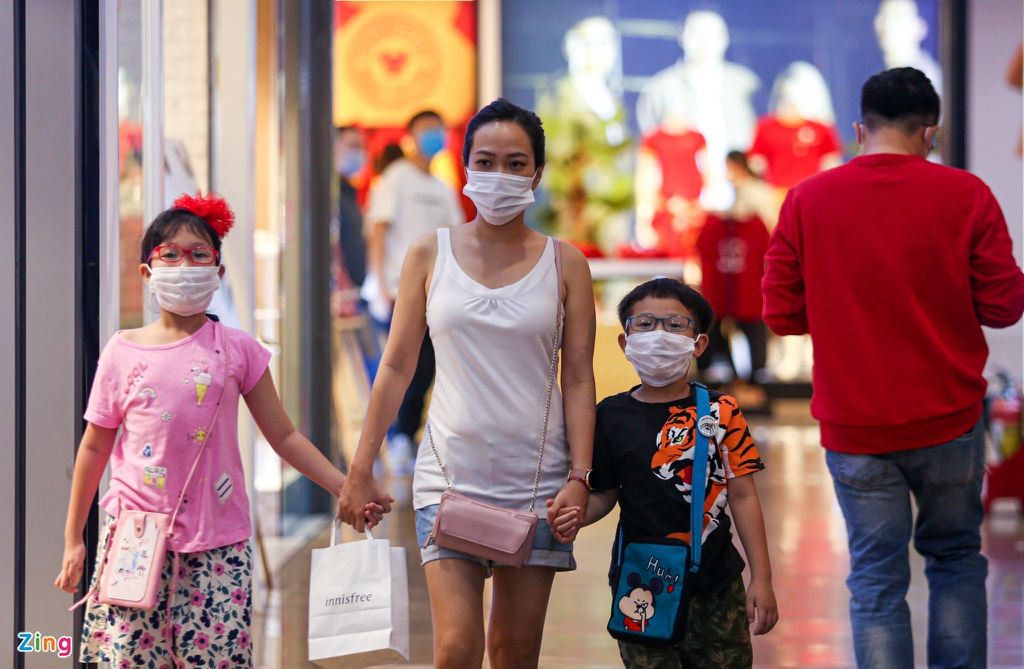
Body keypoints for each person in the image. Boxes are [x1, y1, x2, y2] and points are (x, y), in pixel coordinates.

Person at [762, 67, 1024, 669]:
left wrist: (841, 308)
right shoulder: (967, 196)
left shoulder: (807, 199)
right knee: (955, 559)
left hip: (856, 425)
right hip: (949, 420)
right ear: (930, 132)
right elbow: (1005, 304)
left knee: (877, 578)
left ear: (860, 128)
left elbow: (779, 313)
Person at [54, 193, 383, 667]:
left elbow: (284, 437)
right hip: (132, 543)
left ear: (219, 272)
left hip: (219, 547)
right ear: (148, 272)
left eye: (199, 254)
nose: (185, 265)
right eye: (171, 254)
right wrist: (74, 539)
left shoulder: (238, 350)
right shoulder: (122, 351)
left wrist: (345, 486)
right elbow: (93, 447)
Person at [338, 98, 597, 669]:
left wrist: (581, 475)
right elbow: (397, 366)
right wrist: (362, 470)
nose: (499, 175)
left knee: (514, 652)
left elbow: (579, 377)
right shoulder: (430, 252)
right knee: (456, 649)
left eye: (515, 163)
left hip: (538, 483)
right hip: (447, 476)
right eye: (486, 160)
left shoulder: (566, 263)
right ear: (465, 166)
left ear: (537, 173)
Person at [553, 278, 778, 668]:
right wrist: (578, 516)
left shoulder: (721, 411)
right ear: (625, 342)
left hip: (717, 584)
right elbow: (606, 492)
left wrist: (762, 578)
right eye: (644, 324)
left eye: (675, 325)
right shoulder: (610, 415)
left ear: (699, 343)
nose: (659, 335)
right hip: (641, 583)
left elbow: (742, 495)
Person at [361, 110, 465, 473]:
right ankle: (396, 438)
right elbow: (378, 230)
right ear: (410, 135)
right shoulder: (396, 178)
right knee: (400, 364)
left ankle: (410, 432)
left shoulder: (442, 188)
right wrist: (377, 282)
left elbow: (458, 237)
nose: (434, 136)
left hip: (439, 294)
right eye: (426, 130)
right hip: (397, 290)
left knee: (428, 367)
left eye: (439, 130)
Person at [636, 10, 760, 210]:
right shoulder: (659, 88)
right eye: (696, 33)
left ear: (725, 38)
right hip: (682, 204)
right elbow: (648, 155)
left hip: (742, 198)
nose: (704, 42)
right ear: (681, 36)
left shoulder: (747, 85)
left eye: (712, 34)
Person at [334, 125, 368, 290]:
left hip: (353, 293)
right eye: (352, 146)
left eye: (360, 147)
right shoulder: (327, 196)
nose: (358, 153)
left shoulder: (349, 194)